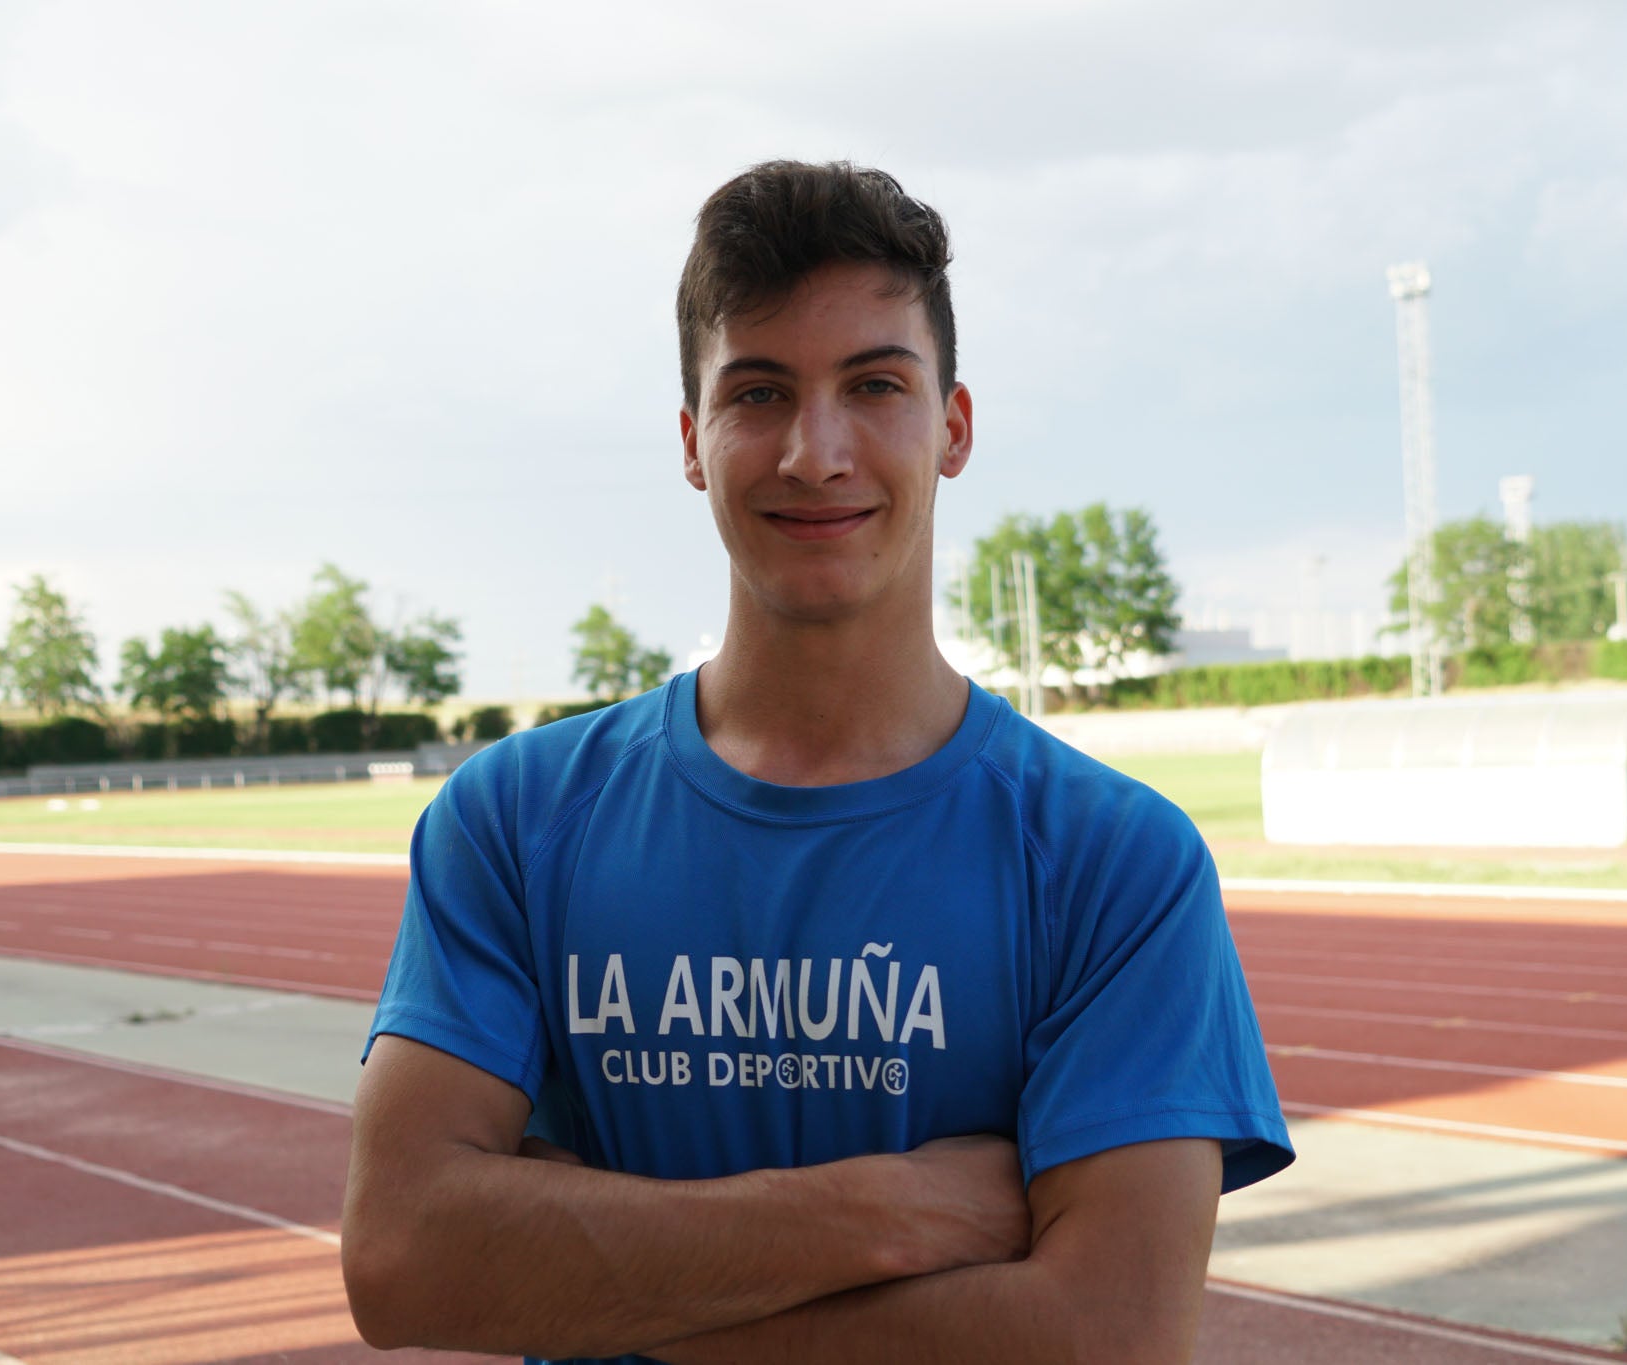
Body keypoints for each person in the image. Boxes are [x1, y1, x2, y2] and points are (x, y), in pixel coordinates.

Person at [341, 160, 1293, 1365]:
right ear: (693, 442)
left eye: (875, 385)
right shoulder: (514, 820)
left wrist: (573, 1277)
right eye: (758, 394)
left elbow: (1102, 1340)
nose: (814, 450)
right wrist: (889, 1213)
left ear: (951, 427)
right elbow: (401, 1263)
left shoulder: (1116, 864)